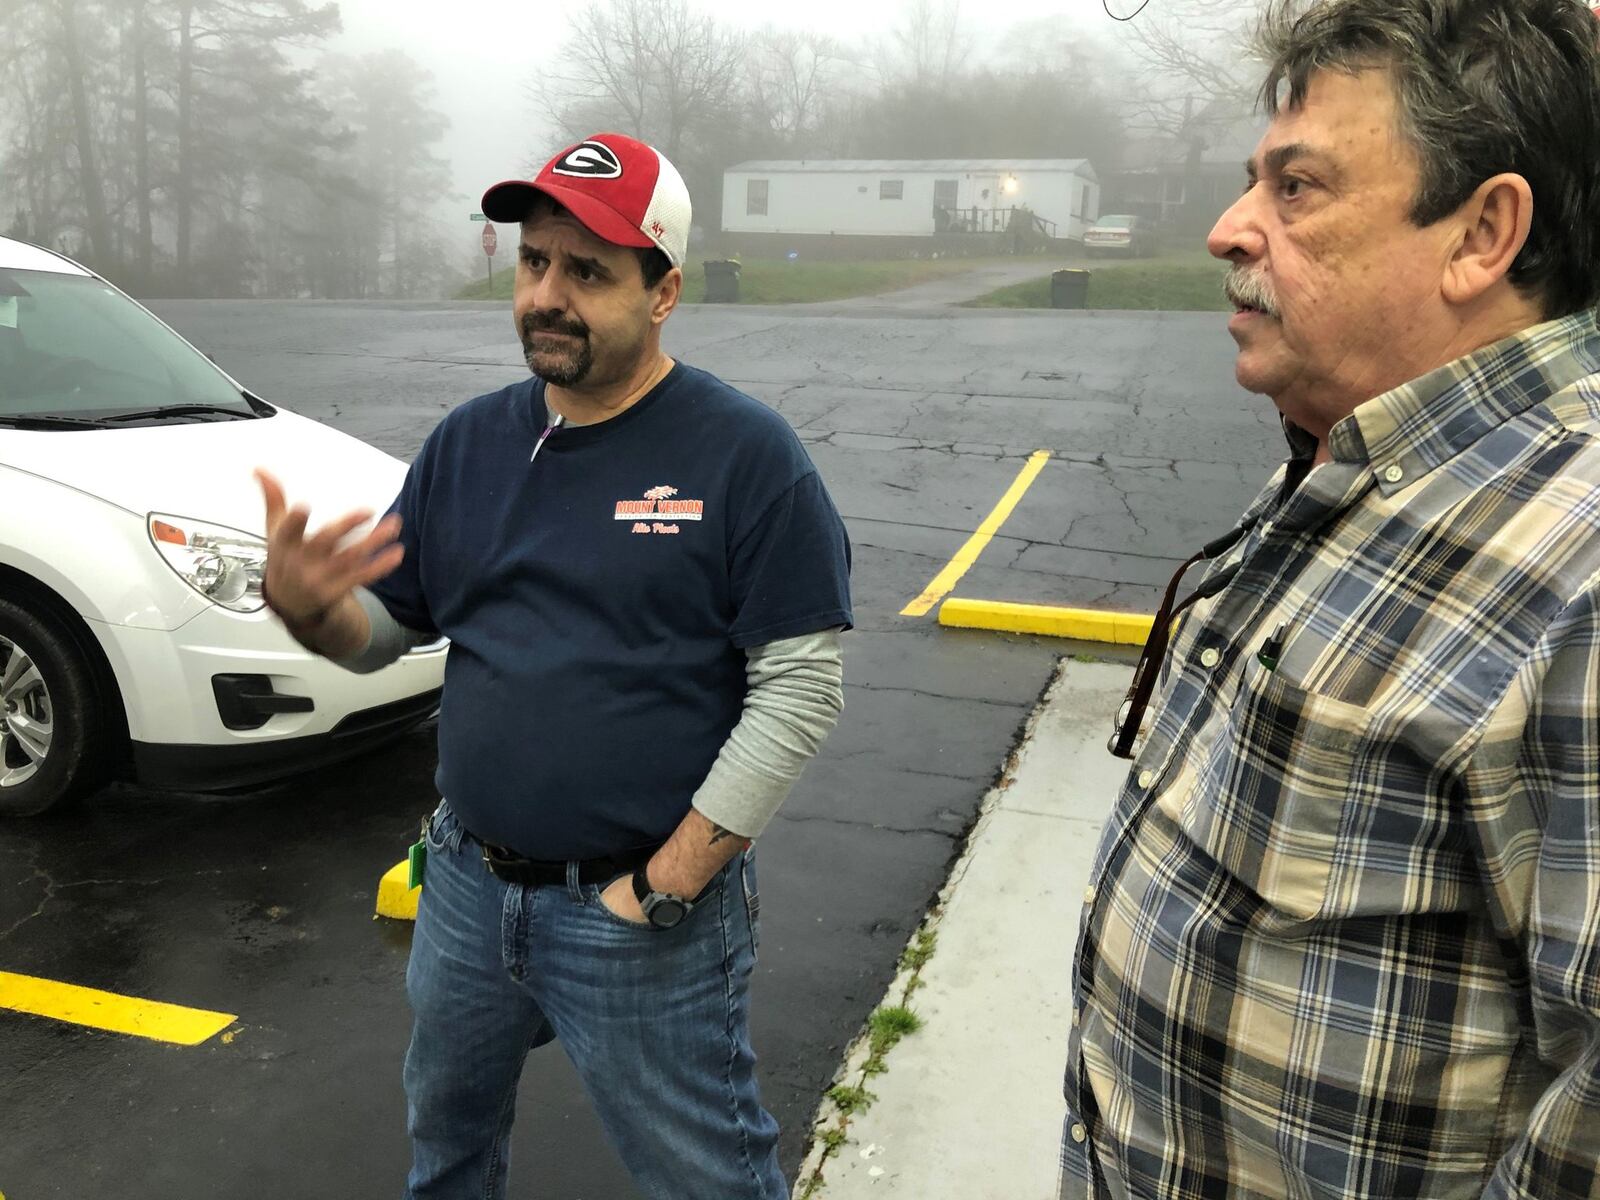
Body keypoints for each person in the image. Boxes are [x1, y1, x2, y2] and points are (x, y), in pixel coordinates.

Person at [1064, 2, 1600, 1197]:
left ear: (1483, 234)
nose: (1226, 230)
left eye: (1294, 188)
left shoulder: (1579, 572)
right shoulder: (1352, 460)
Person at [255, 131, 852, 1200]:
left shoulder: (743, 455)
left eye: (588, 271)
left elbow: (799, 688)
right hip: (468, 894)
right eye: (534, 261)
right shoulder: (469, 444)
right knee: (446, 1147)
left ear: (662, 292)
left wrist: (666, 887)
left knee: (706, 1176)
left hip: (638, 916)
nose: (548, 295)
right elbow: (392, 630)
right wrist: (312, 614)